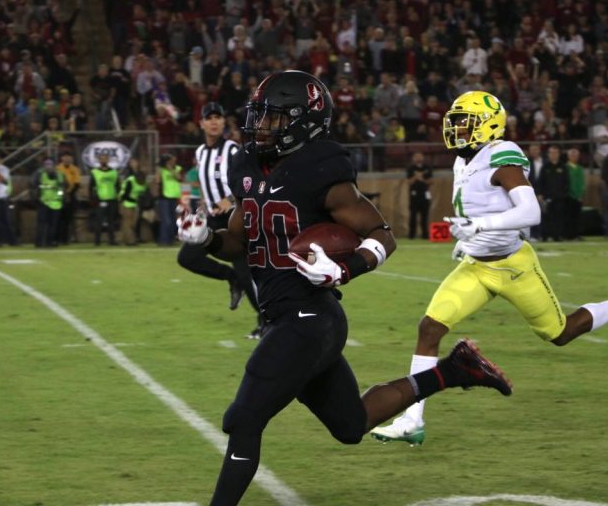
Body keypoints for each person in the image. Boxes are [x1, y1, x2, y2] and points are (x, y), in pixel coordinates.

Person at [177, 71, 515, 505]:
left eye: (274, 119)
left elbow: (382, 234)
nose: (260, 126)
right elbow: (241, 241)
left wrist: (343, 271)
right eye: (259, 116)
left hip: (309, 318)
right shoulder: (246, 164)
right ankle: (455, 370)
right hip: (290, 317)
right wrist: (205, 237)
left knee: (244, 418)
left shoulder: (323, 170)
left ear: (304, 122)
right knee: (351, 424)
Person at [371, 91, 608, 446]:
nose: (457, 129)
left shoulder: (502, 156)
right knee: (430, 327)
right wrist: (467, 240)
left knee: (560, 333)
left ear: (488, 125)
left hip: (513, 267)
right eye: (456, 122)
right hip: (476, 266)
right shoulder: (464, 159)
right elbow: (474, 208)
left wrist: (479, 228)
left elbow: (531, 213)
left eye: (465, 122)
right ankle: (412, 420)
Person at [177, 102, 263, 337]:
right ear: (202, 123)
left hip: (235, 216)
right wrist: (202, 208)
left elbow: (249, 179)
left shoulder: (233, 150)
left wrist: (229, 199)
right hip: (214, 218)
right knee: (187, 257)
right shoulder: (200, 152)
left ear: (224, 122)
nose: (214, 121)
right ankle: (231, 278)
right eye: (209, 117)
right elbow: (206, 185)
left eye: (218, 117)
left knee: (246, 270)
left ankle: (265, 321)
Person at [537, 145, 570, 241]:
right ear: (548, 154)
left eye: (555, 153)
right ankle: (545, 236)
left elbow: (566, 182)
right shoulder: (545, 167)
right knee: (546, 217)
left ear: (559, 154)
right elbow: (540, 181)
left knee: (559, 217)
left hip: (560, 197)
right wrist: (539, 194)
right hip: (547, 197)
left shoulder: (563, 167)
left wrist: (564, 193)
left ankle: (557, 236)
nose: (553, 155)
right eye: (551, 153)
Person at [89, 153, 120, 246]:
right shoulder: (94, 172)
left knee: (111, 221)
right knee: (99, 220)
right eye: (101, 159)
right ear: (99, 160)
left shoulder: (114, 172)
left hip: (112, 199)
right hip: (100, 200)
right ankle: (97, 241)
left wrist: (118, 196)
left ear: (108, 160)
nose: (103, 160)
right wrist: (92, 198)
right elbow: (91, 186)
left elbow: (118, 185)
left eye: (105, 159)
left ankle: (112, 240)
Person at [32, 158, 64, 247]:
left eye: (50, 164)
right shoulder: (39, 174)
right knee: (42, 224)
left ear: (54, 165)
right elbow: (33, 186)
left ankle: (50, 242)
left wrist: (61, 197)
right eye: (46, 164)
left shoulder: (59, 174)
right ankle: (39, 242)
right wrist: (36, 198)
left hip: (56, 202)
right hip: (44, 201)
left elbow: (63, 187)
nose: (48, 166)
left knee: (53, 224)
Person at [154, 153, 182, 245]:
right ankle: (163, 240)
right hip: (164, 197)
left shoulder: (177, 168)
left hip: (174, 197)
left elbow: (179, 178)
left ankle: (171, 240)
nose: (173, 162)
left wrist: (170, 169)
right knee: (166, 220)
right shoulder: (161, 170)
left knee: (174, 220)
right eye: (171, 160)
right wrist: (159, 169)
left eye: (174, 160)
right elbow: (157, 181)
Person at [119, 159, 148, 246]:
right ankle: (131, 241)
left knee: (132, 223)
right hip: (128, 203)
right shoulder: (130, 179)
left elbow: (144, 191)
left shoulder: (142, 180)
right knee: (128, 223)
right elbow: (125, 194)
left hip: (136, 203)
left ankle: (128, 239)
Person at [406, 151, 432, 239]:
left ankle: (425, 235)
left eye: (420, 156)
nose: (418, 158)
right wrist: (416, 177)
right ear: (413, 158)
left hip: (425, 194)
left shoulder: (427, 168)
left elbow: (431, 181)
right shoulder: (410, 168)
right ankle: (411, 235)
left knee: (424, 216)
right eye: (416, 156)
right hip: (414, 195)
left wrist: (421, 178)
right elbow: (409, 182)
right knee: (413, 216)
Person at [56, 151, 80, 244]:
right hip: (59, 195)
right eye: (65, 157)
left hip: (71, 195)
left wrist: (69, 194)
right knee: (58, 218)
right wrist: (61, 194)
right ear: (62, 158)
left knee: (68, 219)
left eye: (69, 157)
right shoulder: (57, 169)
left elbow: (77, 183)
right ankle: (57, 238)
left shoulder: (75, 169)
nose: (67, 159)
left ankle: (66, 239)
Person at [565, 148, 585, 240]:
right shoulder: (565, 168)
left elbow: (582, 182)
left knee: (578, 216)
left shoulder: (580, 168)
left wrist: (581, 193)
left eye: (576, 156)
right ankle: (569, 234)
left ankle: (577, 234)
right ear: (568, 157)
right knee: (569, 216)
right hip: (569, 196)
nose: (574, 157)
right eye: (572, 155)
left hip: (578, 196)